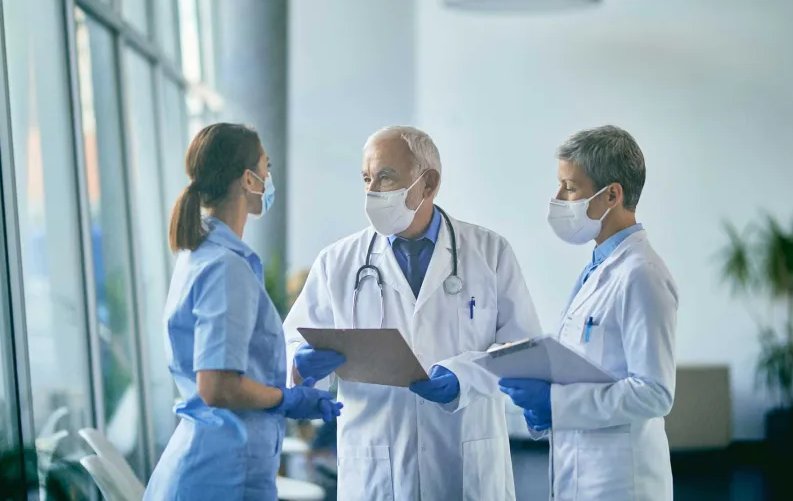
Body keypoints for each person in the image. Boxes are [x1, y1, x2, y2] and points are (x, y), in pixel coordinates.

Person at [283, 126, 542, 501]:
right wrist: (299, 363)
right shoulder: (337, 263)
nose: (373, 191)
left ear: (429, 184)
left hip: (465, 463)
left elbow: (523, 349)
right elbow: (294, 340)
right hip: (376, 469)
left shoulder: (490, 253)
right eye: (367, 179)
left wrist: (465, 377)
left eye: (386, 178)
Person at [144, 123, 342, 501]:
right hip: (220, 475)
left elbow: (233, 364)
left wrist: (293, 372)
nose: (270, 179)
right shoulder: (225, 266)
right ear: (249, 180)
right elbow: (217, 385)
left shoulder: (203, 253)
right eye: (266, 168)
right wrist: (287, 400)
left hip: (212, 465)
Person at [499, 125, 678, 501]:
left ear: (612, 194)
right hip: (580, 471)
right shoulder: (600, 266)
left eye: (570, 187)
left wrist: (555, 403)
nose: (558, 198)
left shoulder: (641, 273)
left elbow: (655, 393)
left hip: (620, 482)